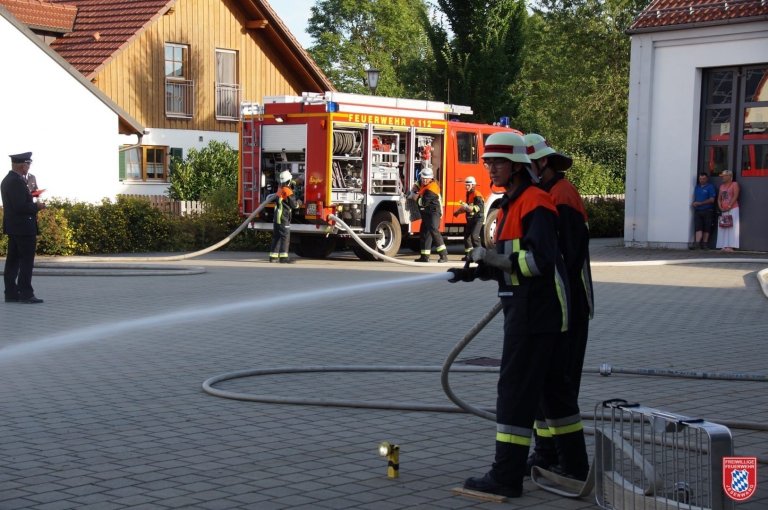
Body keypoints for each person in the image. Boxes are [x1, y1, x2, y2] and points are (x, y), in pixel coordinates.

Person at [446, 132, 588, 497]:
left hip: (535, 313)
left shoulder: (535, 203)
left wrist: (495, 259)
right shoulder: (513, 202)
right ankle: (574, 469)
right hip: (543, 313)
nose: (491, 167)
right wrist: (476, 271)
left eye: (498, 161)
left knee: (514, 394)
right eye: (488, 161)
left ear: (519, 165)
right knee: (555, 396)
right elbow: (513, 262)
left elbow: (539, 260)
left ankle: (505, 477)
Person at [524, 133, 593, 474]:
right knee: (545, 383)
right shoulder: (547, 194)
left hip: (571, 305)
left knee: (560, 384)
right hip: (555, 304)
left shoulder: (562, 195)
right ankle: (547, 453)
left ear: (542, 163)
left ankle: (566, 459)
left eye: (528, 164)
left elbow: (567, 255)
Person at [2, 152, 46, 303]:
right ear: (22, 165)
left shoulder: (9, 180)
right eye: (28, 164)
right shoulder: (16, 181)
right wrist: (37, 206)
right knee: (26, 261)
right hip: (23, 228)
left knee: (13, 261)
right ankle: (26, 293)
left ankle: (11, 293)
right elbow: (20, 206)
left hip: (14, 227)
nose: (28, 167)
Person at [409, 167, 448, 262]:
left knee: (434, 231)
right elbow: (418, 184)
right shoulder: (423, 183)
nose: (424, 180)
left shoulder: (432, 188)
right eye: (423, 178)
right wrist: (415, 187)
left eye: (426, 178)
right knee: (424, 233)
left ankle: (444, 255)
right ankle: (425, 257)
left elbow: (423, 202)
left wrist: (415, 196)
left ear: (431, 178)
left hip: (434, 212)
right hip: (427, 213)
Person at [268, 170, 297, 263]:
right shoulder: (288, 191)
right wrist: (299, 202)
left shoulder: (279, 189)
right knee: (285, 237)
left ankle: (273, 257)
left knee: (276, 237)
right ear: (289, 180)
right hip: (283, 217)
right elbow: (294, 205)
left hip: (276, 217)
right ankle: (284, 257)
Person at [453, 176, 484, 261]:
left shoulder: (477, 195)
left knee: (474, 236)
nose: (466, 187)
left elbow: (478, 208)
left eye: (468, 185)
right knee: (467, 236)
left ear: (473, 185)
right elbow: (466, 207)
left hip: (478, 218)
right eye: (466, 185)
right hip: (471, 218)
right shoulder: (469, 194)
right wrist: (458, 212)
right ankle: (469, 256)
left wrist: (467, 207)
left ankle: (481, 256)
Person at [716, 169, 740, 252]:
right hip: (724, 209)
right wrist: (720, 206)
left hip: (733, 208)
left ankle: (731, 246)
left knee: (732, 226)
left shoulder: (734, 184)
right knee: (724, 226)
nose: (722, 177)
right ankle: (724, 245)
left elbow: (735, 195)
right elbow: (719, 199)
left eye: (724, 176)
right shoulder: (721, 186)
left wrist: (730, 205)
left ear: (729, 176)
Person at [691, 172, 716, 250]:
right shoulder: (697, 187)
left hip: (707, 210)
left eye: (703, 179)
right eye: (700, 179)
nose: (701, 180)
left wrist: (701, 203)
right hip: (698, 211)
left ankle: (705, 244)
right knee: (698, 227)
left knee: (707, 227)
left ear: (707, 179)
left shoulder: (710, 187)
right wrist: (694, 203)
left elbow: (712, 199)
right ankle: (697, 243)